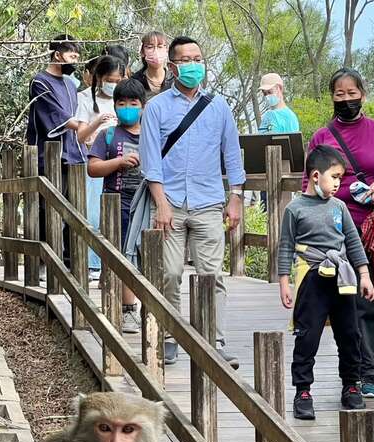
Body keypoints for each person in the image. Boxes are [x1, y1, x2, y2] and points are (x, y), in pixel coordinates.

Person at [139, 35, 246, 369]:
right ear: (172, 66)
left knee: (211, 276)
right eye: (186, 59)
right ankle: (170, 336)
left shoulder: (219, 107)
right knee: (169, 273)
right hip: (170, 201)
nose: (193, 64)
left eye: (197, 58)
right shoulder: (156, 107)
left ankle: (214, 341)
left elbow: (232, 153)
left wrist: (236, 197)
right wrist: (161, 203)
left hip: (209, 202)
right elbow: (150, 159)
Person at [308, 67, 374, 400]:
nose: (346, 100)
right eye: (340, 94)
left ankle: (368, 372)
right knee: (342, 304)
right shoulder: (322, 136)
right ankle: (350, 373)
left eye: (352, 94)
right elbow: (308, 180)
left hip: (373, 227)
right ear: (332, 97)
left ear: (363, 95)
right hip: (334, 228)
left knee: (371, 302)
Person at [278, 145, 374, 420]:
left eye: (340, 179)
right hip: (311, 275)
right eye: (334, 177)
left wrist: (364, 276)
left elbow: (354, 243)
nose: (337, 184)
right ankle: (303, 390)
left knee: (349, 333)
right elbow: (285, 246)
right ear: (316, 175)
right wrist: (284, 282)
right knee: (307, 335)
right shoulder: (294, 209)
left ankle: (351, 385)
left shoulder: (339, 207)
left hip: (342, 277)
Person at [88, 77, 148, 334]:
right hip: (117, 202)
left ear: (142, 105)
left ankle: (152, 311)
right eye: (121, 103)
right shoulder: (108, 135)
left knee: (147, 255)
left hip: (146, 203)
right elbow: (92, 167)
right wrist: (119, 163)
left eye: (132, 103)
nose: (127, 107)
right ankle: (126, 309)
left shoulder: (152, 133)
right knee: (123, 256)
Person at [26, 34, 88, 264]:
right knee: (48, 208)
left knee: (74, 209)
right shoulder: (40, 82)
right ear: (57, 54)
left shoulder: (71, 86)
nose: (75, 60)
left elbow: (76, 118)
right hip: (48, 154)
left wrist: (87, 132)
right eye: (72, 55)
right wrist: (86, 126)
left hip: (74, 153)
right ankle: (46, 261)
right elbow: (57, 117)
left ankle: (73, 262)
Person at [75, 54, 127, 279]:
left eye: (117, 80)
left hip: (122, 161)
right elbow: (80, 136)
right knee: (93, 213)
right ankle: (93, 265)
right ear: (98, 77)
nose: (113, 84)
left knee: (120, 212)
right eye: (109, 79)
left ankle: (119, 261)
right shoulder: (85, 98)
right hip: (96, 159)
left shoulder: (124, 99)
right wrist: (99, 122)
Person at [131, 31, 173, 96]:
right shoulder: (135, 81)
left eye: (160, 46)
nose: (156, 51)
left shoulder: (174, 80)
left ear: (166, 50)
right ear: (142, 52)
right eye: (150, 47)